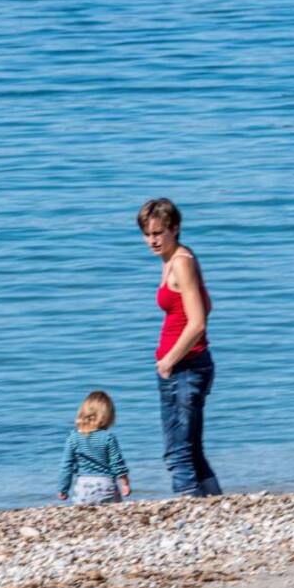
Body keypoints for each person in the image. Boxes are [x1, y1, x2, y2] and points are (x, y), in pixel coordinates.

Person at [138, 198, 222, 497]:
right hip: (187, 365)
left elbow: (198, 321)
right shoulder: (175, 259)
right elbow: (206, 305)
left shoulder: (182, 262)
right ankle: (214, 506)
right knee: (192, 450)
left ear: (175, 228)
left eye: (158, 233)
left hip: (184, 368)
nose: (152, 240)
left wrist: (168, 360)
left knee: (178, 453)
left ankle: (190, 512)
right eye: (147, 234)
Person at [57, 390, 131, 505]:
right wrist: (125, 483)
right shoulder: (108, 438)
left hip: (83, 488)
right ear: (107, 416)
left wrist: (63, 488)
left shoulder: (73, 438)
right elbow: (117, 464)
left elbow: (66, 466)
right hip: (106, 486)